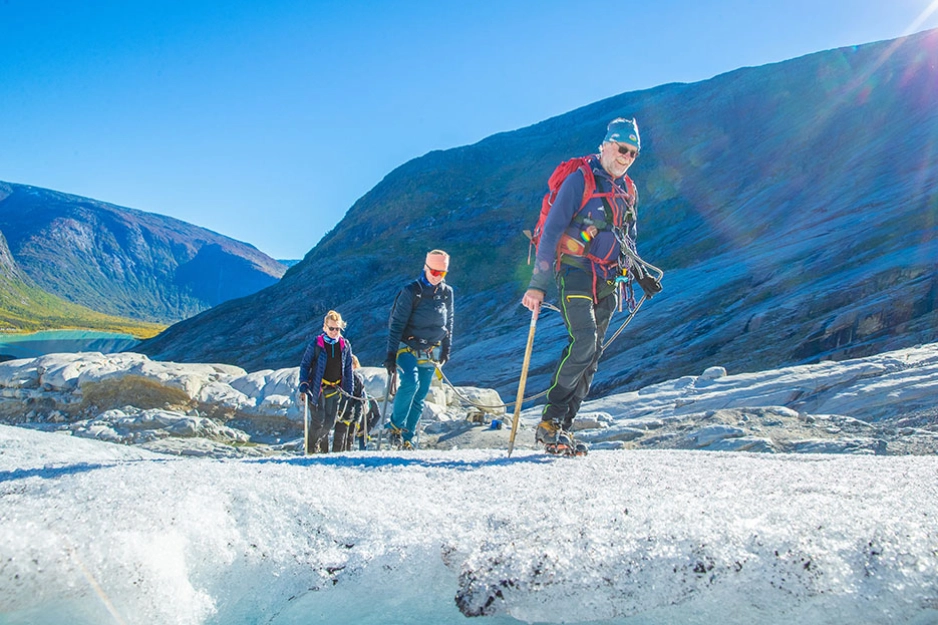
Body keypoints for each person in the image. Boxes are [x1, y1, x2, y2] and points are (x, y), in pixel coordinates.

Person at [521, 118, 662, 453]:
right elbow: (552, 230)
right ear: (607, 145)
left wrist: (639, 274)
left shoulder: (628, 189)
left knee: (593, 354)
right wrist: (538, 284)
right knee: (585, 341)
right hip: (575, 270)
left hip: (610, 278)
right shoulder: (579, 180)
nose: (627, 156)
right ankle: (549, 421)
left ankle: (562, 429)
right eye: (622, 148)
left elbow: (627, 237)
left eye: (633, 152)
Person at [383, 250, 455, 450]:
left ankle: (408, 437)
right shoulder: (410, 292)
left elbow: (449, 321)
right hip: (407, 348)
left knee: (421, 394)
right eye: (433, 271)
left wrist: (446, 349)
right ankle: (395, 427)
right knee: (410, 384)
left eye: (441, 273)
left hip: (431, 351)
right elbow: (396, 324)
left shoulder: (447, 293)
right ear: (425, 267)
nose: (436, 276)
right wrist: (390, 355)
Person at [298, 310, 354, 453]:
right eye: (331, 328)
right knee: (318, 420)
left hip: (335, 388)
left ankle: (315, 443)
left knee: (329, 422)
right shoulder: (316, 344)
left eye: (337, 328)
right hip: (317, 388)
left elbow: (348, 369)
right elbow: (305, 365)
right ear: (324, 327)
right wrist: (303, 383)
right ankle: (310, 449)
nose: (334, 331)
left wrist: (349, 390)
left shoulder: (345, 345)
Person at [334, 355, 381, 452]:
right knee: (344, 439)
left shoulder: (369, 399)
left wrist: (368, 427)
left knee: (359, 444)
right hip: (350, 416)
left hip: (362, 424)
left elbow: (377, 414)